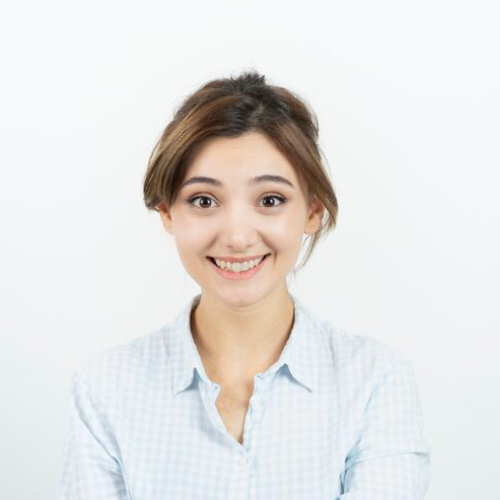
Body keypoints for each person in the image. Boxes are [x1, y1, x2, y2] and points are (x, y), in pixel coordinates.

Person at [59, 71, 431, 499]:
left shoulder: (375, 382)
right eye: (204, 201)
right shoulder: (104, 390)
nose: (237, 237)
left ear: (312, 212)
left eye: (270, 200)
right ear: (167, 212)